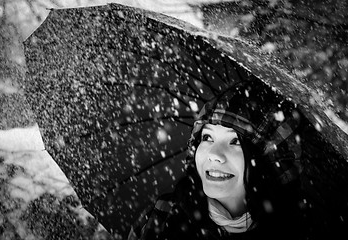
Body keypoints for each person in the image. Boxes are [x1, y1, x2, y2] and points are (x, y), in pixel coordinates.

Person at [128, 81, 309, 240]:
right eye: (207, 138)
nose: (214, 154)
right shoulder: (162, 215)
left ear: (268, 163)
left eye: (235, 141)